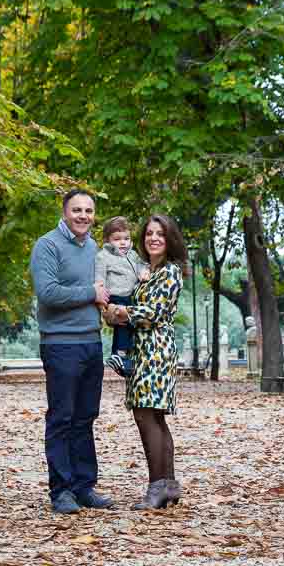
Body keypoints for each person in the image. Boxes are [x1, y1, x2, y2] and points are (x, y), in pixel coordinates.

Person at [29, 189, 113, 514]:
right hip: (60, 344)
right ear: (65, 212)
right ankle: (61, 490)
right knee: (62, 417)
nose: (83, 216)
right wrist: (90, 292)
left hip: (91, 342)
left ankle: (83, 486)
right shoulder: (47, 245)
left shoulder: (93, 248)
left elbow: (105, 290)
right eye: (76, 210)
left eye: (88, 211)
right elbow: (48, 293)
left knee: (85, 417)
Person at [107, 214, 188, 510]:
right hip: (141, 350)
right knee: (154, 417)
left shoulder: (170, 272)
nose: (153, 238)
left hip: (156, 351)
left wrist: (122, 313)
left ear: (170, 240)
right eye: (149, 233)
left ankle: (156, 488)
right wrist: (115, 310)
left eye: (160, 234)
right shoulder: (144, 270)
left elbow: (153, 312)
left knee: (145, 415)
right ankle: (168, 484)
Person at [95, 216, 149, 378]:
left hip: (131, 295)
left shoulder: (133, 255)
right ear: (107, 240)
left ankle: (125, 354)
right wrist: (101, 297)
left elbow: (141, 265)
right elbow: (99, 277)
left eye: (126, 238)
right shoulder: (103, 256)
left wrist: (143, 272)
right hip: (116, 296)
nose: (123, 242)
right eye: (117, 239)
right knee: (123, 325)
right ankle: (118, 354)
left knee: (132, 325)